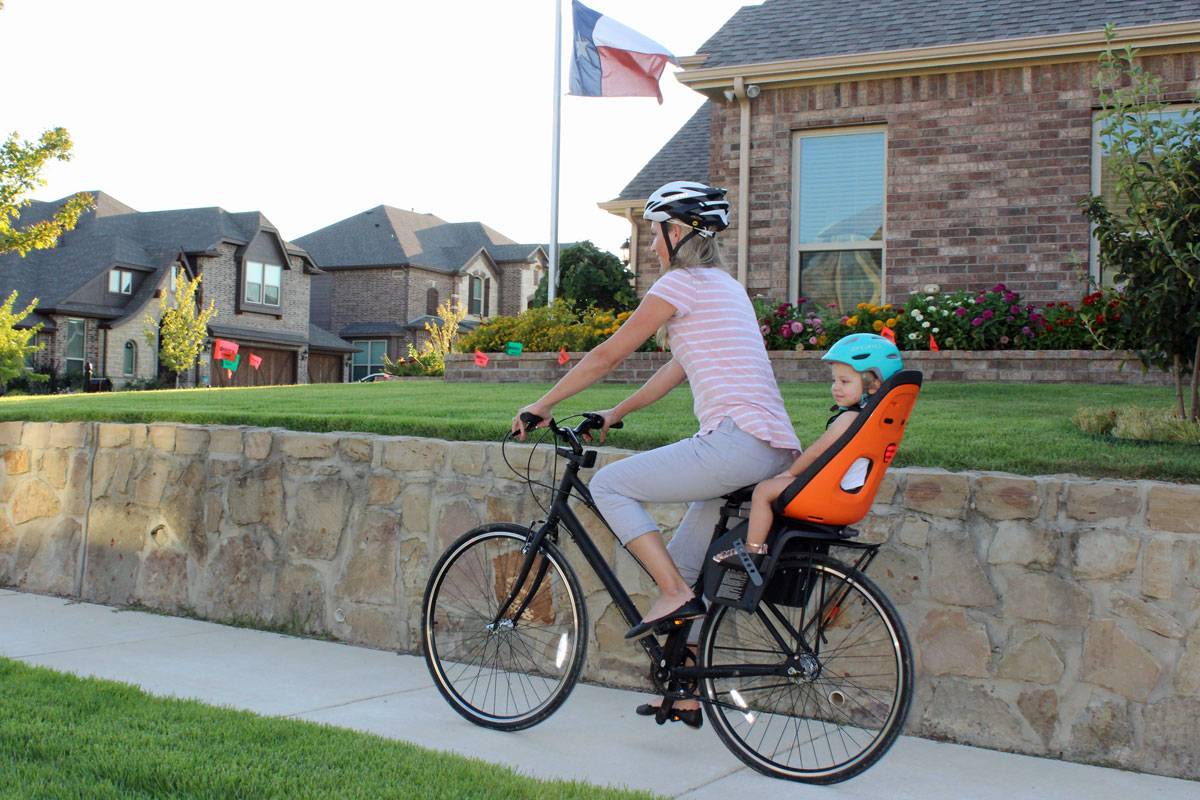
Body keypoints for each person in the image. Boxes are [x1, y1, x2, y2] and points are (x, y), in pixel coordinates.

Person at [513, 180, 801, 726]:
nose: (650, 247)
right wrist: (615, 414)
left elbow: (605, 354)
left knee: (610, 485)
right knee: (689, 563)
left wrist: (543, 404)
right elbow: (676, 368)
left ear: (677, 232)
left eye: (654, 233)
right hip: (772, 452)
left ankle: (671, 593)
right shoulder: (725, 288)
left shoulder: (682, 284)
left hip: (735, 444)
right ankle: (688, 689)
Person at [711, 333, 903, 570]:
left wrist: (790, 473)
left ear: (873, 385)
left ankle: (752, 551)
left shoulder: (849, 419)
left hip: (828, 494)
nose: (836, 388)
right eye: (834, 381)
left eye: (844, 382)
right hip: (849, 496)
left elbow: (815, 453)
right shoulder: (873, 421)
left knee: (763, 491)